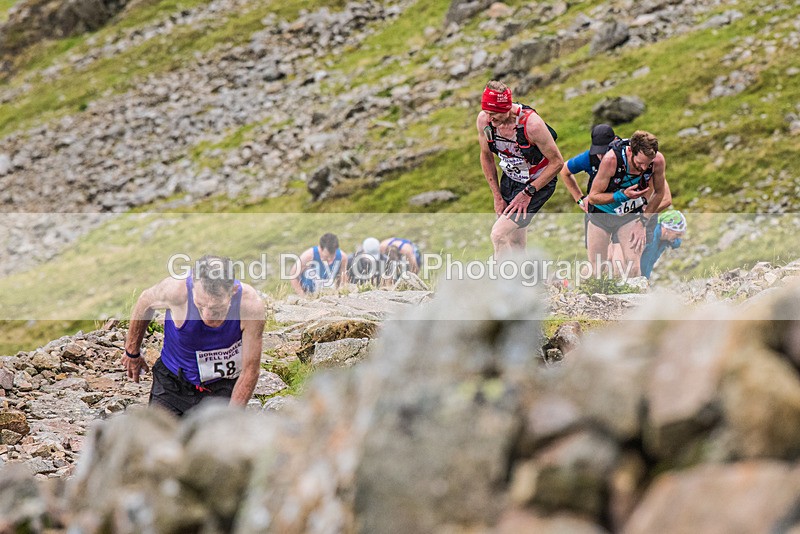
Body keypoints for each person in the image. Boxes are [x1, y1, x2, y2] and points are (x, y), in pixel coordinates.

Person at [122, 255, 266, 417]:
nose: (207, 316)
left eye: (217, 309)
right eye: (200, 306)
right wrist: (132, 352)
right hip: (172, 383)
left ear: (233, 291)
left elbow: (250, 371)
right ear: (193, 287)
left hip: (222, 386)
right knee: (158, 433)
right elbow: (145, 301)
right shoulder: (176, 290)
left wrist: (231, 418)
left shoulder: (250, 306)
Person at [477, 80, 564, 257]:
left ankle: (502, 275)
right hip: (511, 179)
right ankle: (525, 274)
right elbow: (486, 156)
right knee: (514, 241)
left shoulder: (532, 125)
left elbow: (557, 162)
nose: (490, 118)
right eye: (487, 112)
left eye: (494, 113)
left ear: (506, 108)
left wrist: (528, 193)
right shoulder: (484, 120)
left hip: (538, 182)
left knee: (498, 234)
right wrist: (497, 196)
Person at [586, 130, 667, 278]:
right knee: (598, 269)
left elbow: (659, 193)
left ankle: (632, 293)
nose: (644, 168)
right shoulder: (611, 160)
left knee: (633, 267)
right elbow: (593, 197)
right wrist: (621, 195)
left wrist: (643, 221)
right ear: (630, 151)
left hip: (628, 216)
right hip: (601, 214)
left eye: (648, 163)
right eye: (640, 163)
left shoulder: (657, 161)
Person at [640, 209, 686, 279]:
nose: (678, 237)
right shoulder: (650, 236)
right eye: (677, 234)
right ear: (667, 229)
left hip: (644, 276)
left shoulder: (666, 238)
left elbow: (677, 243)